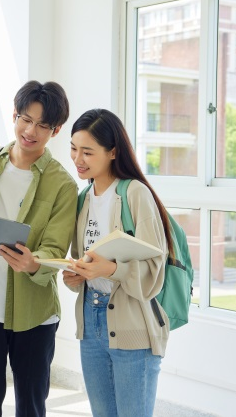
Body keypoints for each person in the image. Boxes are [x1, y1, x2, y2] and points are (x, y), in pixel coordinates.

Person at [0, 80, 77, 417]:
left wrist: (33, 264)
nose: (31, 131)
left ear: (55, 131)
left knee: (31, 405)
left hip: (34, 314)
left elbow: (55, 249)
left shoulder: (62, 184)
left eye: (43, 125)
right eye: (26, 119)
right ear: (14, 115)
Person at [63, 108, 171, 417]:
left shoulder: (135, 193)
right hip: (90, 321)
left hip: (132, 320)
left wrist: (110, 269)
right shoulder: (83, 198)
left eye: (87, 152)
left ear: (112, 152)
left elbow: (154, 270)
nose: (77, 159)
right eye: (73, 148)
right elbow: (88, 262)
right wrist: (77, 276)